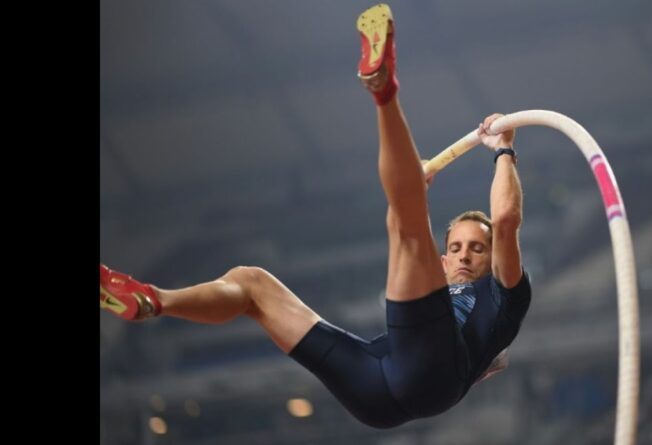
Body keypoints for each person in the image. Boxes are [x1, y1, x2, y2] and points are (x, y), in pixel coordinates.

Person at [100, 3, 531, 429]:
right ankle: (155, 300)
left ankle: (384, 91)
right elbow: (406, 231)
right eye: (455, 247)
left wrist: (504, 150)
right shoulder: (437, 291)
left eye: (476, 248)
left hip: (432, 374)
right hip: (377, 384)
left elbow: (506, 219)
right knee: (252, 285)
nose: (462, 256)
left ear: (493, 259)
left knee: (408, 223)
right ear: (443, 259)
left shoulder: (503, 295)